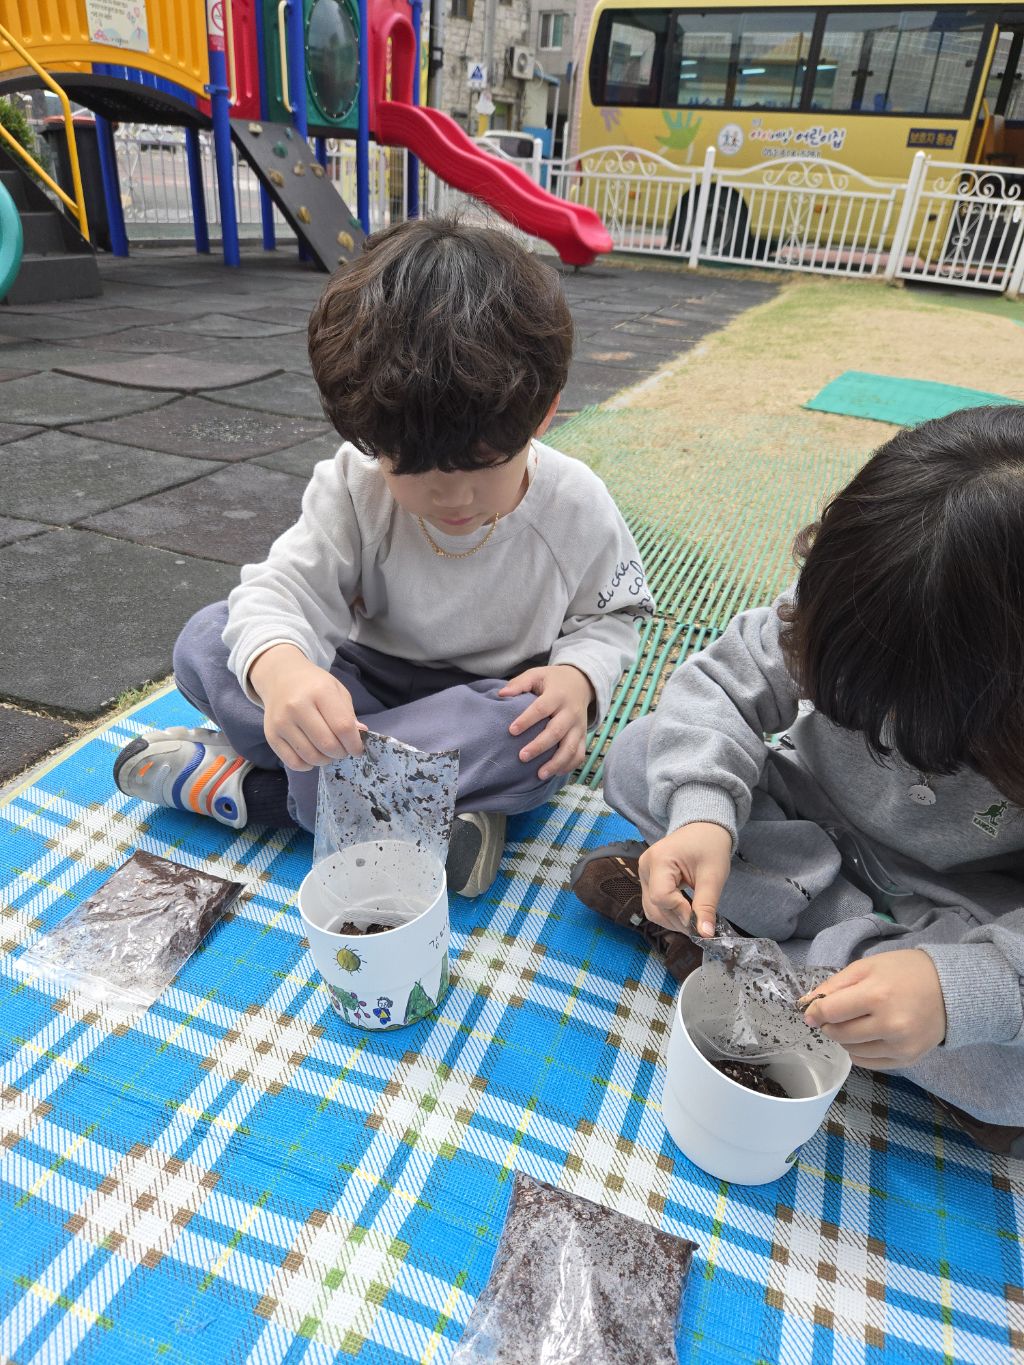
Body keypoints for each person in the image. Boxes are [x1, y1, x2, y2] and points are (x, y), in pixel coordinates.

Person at [114, 218, 652, 898]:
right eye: (412, 468)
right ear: (370, 436)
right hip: (361, 686)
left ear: (543, 413)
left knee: (537, 741)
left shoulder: (574, 505)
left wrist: (577, 678)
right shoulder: (355, 484)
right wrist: (283, 675)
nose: (453, 497)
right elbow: (281, 591)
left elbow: (613, 615)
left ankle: (259, 794)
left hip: (484, 705)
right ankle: (428, 806)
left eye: (484, 465)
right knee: (210, 640)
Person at [572, 406, 1024, 1152]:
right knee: (644, 753)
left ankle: (730, 952)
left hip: (954, 914)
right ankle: (787, 968)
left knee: (1010, 1075)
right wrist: (704, 817)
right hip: (802, 828)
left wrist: (956, 992)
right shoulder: (859, 602)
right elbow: (721, 684)